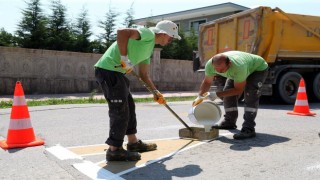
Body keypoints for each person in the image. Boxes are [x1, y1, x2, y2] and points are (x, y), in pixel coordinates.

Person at [94, 20, 181, 161]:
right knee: (119, 110)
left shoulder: (149, 48)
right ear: (164, 34)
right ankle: (114, 150)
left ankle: (133, 143)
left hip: (117, 73)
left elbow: (144, 75)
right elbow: (122, 32)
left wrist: (155, 92)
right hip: (108, 71)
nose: (171, 41)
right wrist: (124, 58)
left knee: (129, 107)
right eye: (171, 37)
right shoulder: (148, 34)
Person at [193, 51, 268, 140]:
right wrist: (200, 96)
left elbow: (238, 90)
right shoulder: (210, 65)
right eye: (216, 69)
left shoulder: (238, 67)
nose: (218, 71)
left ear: (229, 64)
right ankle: (229, 122)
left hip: (257, 69)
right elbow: (207, 82)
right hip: (240, 70)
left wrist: (217, 94)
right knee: (228, 94)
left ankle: (249, 128)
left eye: (221, 70)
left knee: (250, 94)